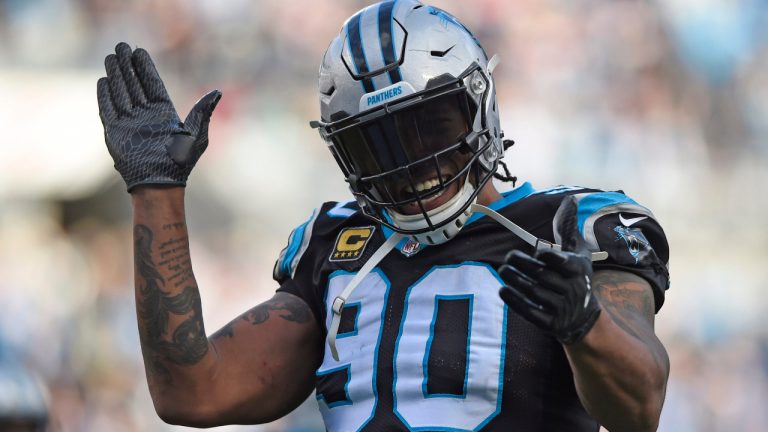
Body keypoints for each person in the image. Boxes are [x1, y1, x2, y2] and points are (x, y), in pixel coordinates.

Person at [96, 1, 670, 430]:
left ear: (479, 104)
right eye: (378, 144)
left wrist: (585, 323)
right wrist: (156, 192)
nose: (411, 162)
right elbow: (193, 393)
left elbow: (639, 411)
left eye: (430, 128)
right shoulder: (335, 244)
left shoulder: (573, 224)